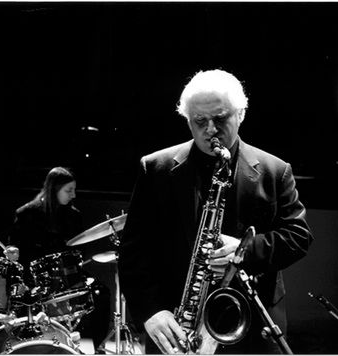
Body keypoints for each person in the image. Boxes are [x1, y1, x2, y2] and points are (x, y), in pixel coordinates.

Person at [118, 69, 313, 354]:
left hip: (249, 327)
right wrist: (151, 312)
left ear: (241, 114)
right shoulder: (155, 168)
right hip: (176, 325)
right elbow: (133, 253)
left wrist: (247, 249)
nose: (210, 130)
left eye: (220, 118)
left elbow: (299, 237)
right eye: (199, 121)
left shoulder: (275, 171)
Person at [7, 166, 110, 353]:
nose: (74, 195)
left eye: (74, 190)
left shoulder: (74, 216)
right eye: (69, 190)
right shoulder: (27, 214)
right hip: (36, 281)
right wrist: (12, 253)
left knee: (101, 294)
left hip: (70, 277)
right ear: (54, 189)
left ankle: (92, 348)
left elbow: (80, 250)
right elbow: (16, 249)